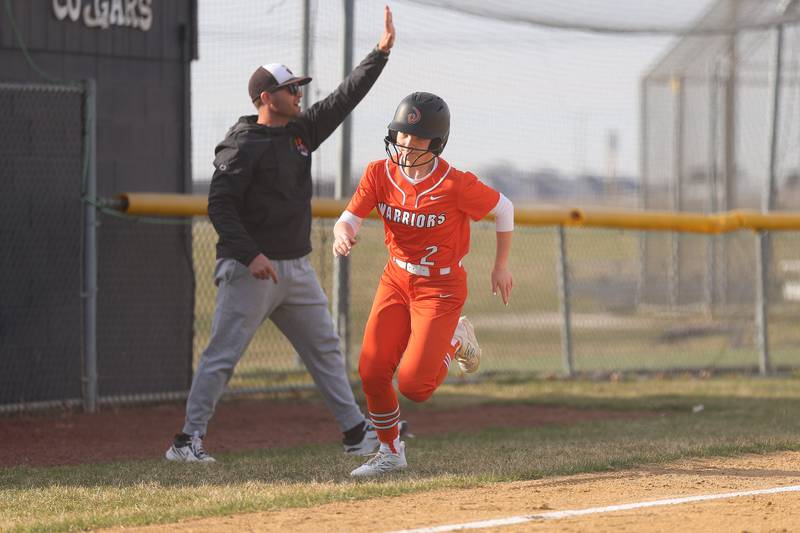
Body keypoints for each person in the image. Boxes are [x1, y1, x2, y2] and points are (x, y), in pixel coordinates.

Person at [165, 7, 397, 463]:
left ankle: (356, 433)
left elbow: (343, 98)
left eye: (298, 88)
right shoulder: (241, 144)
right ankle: (186, 442)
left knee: (325, 350)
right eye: (291, 89)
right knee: (222, 356)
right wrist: (250, 255)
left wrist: (380, 53)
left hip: (296, 268)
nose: (299, 94)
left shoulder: (301, 132)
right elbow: (220, 207)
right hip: (251, 270)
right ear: (266, 98)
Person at [332, 92, 514, 477]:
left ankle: (456, 338)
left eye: (416, 138)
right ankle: (390, 452)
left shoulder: (455, 184)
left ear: (436, 143)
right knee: (372, 371)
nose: (406, 143)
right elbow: (349, 217)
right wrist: (342, 232)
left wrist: (501, 265)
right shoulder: (379, 173)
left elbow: (504, 208)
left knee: (416, 386)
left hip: (440, 288)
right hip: (396, 280)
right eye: (402, 134)